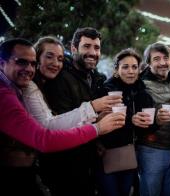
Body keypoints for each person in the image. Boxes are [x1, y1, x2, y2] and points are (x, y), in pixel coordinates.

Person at [0, 38, 121, 195]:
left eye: (60, 59)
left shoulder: (30, 84)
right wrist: (96, 125)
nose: (29, 68)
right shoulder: (17, 90)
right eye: (22, 62)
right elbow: (45, 135)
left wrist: (96, 121)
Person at [39, 27, 112, 196]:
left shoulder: (95, 77)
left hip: (87, 159)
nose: (93, 52)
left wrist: (97, 135)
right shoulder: (60, 77)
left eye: (96, 47)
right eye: (86, 46)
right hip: (65, 164)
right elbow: (61, 123)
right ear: (73, 48)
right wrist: (96, 121)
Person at [22, 36, 121, 130]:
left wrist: (97, 119)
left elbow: (64, 122)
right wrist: (93, 107)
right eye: (49, 57)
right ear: (36, 58)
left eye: (60, 59)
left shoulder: (49, 84)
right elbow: (48, 125)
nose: (56, 63)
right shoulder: (29, 86)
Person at [95, 48, 154, 196]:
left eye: (134, 67)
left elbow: (147, 128)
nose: (131, 71)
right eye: (125, 67)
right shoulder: (107, 91)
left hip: (129, 154)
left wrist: (155, 121)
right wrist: (131, 120)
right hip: (107, 153)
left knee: (125, 191)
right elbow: (100, 122)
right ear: (116, 69)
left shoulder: (142, 92)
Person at [135, 42, 170, 196]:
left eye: (165, 58)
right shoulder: (140, 85)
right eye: (156, 59)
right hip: (151, 149)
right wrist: (155, 119)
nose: (162, 63)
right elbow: (138, 118)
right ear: (148, 63)